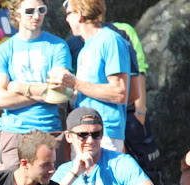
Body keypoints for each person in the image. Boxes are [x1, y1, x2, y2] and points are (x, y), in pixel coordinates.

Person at [0, 0, 72, 169]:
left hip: (49, 130)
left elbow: (59, 95)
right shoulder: (3, 51)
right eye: (29, 11)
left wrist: (20, 88)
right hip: (13, 133)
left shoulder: (58, 46)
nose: (37, 16)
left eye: (41, 10)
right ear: (16, 14)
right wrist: (44, 91)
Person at [47, 0, 130, 152]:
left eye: (68, 13)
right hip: (81, 132)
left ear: (79, 14)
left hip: (104, 134)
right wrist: (61, 91)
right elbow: (86, 91)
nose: (66, 19)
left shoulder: (110, 40)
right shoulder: (86, 47)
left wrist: (75, 83)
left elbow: (119, 93)